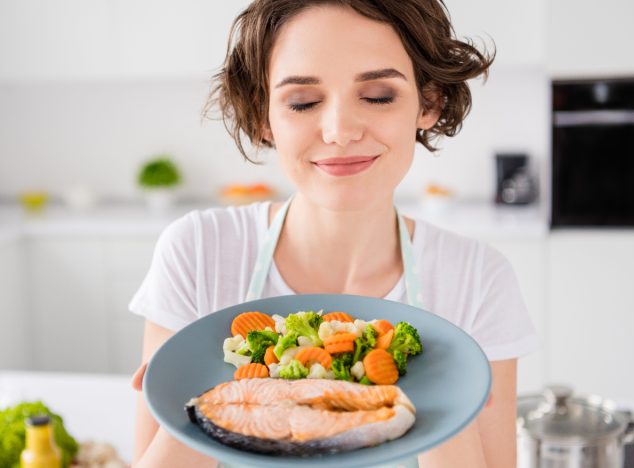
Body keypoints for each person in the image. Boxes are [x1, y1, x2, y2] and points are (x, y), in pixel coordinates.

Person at [129, 1, 539, 467]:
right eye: (303, 102)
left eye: (379, 95)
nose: (340, 131)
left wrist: (446, 404)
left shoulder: (477, 279)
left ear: (429, 102)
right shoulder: (199, 252)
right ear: (265, 117)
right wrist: (200, 400)